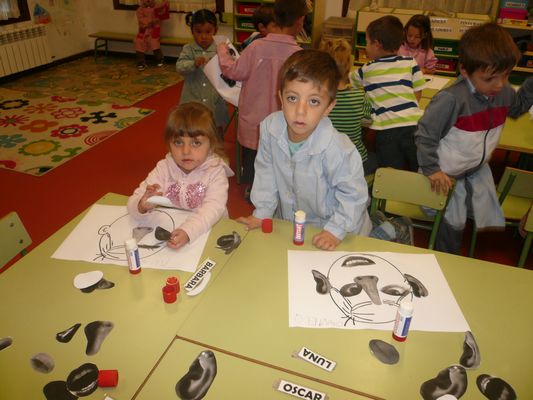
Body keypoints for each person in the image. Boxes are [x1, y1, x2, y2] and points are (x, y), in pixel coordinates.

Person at [237, 50, 412, 251]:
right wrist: (262, 213)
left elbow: (353, 195)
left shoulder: (339, 148)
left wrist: (335, 230)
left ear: (329, 107)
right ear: (281, 98)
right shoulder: (269, 128)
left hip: (337, 227)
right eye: (292, 98)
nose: (300, 111)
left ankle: (391, 228)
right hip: (295, 224)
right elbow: (265, 174)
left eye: (313, 101)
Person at [415, 22, 533, 254]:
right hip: (445, 174)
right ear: (465, 71)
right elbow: (425, 135)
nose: (500, 85)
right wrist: (432, 169)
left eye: (506, 75)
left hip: (474, 168)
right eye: (490, 78)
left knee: (477, 211)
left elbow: (517, 107)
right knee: (452, 225)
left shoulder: (503, 91)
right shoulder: (451, 99)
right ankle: (445, 259)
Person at [217, 0, 307, 199]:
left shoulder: (256, 46)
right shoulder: (299, 54)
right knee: (280, 158)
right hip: (283, 121)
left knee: (252, 157)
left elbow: (233, 71)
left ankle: (253, 190)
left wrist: (223, 51)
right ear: (299, 22)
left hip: (253, 120)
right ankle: (278, 192)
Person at [127, 102, 234, 250]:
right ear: (169, 144)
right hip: (175, 230)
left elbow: (213, 208)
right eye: (178, 142)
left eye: (196, 143)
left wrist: (188, 231)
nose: (186, 151)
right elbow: (134, 199)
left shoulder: (215, 171)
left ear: (211, 144)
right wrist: (141, 206)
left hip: (211, 230)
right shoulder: (164, 168)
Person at [351, 15, 426, 172]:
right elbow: (418, 93)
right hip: (414, 126)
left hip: (387, 130)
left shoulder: (366, 70)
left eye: (367, 42)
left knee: (390, 175)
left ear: (377, 44)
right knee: (419, 170)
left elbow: (346, 82)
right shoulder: (410, 62)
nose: (366, 47)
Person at [320, 38, 376, 177]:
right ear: (348, 66)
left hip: (325, 159)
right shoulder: (360, 95)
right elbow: (371, 119)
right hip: (355, 160)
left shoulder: (318, 98)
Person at [176, 9, 229, 137]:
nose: (203, 36)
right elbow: (180, 67)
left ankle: (217, 149)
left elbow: (229, 70)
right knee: (192, 129)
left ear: (215, 31)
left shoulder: (220, 49)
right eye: (198, 32)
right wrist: (193, 64)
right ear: (192, 31)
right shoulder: (188, 49)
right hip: (193, 97)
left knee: (216, 128)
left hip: (214, 98)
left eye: (208, 32)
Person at [135, 0, 168, 71]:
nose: (148, 1)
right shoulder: (140, 10)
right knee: (139, 42)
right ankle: (141, 62)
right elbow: (141, 19)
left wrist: (165, 2)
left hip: (154, 30)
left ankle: (160, 59)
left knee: (154, 42)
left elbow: (162, 13)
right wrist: (150, 21)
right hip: (144, 30)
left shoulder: (156, 7)